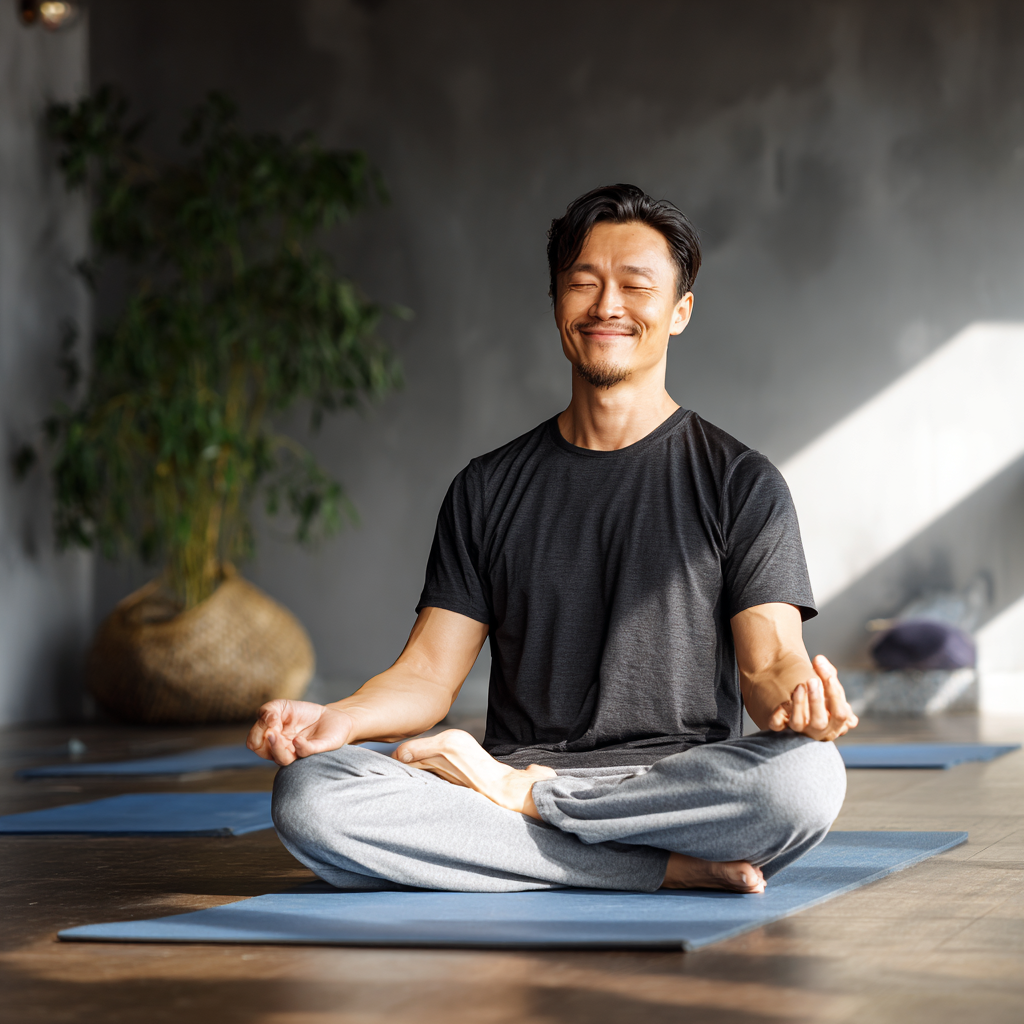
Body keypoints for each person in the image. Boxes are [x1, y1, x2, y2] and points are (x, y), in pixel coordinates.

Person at [248, 183, 859, 895]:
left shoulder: (741, 482)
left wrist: (798, 702)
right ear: (557, 305)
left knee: (804, 780)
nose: (608, 306)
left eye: (636, 285)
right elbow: (424, 677)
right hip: (505, 772)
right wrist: (336, 719)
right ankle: (652, 870)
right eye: (584, 283)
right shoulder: (487, 487)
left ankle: (533, 817)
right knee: (312, 796)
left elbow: (770, 663)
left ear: (679, 311)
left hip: (662, 788)